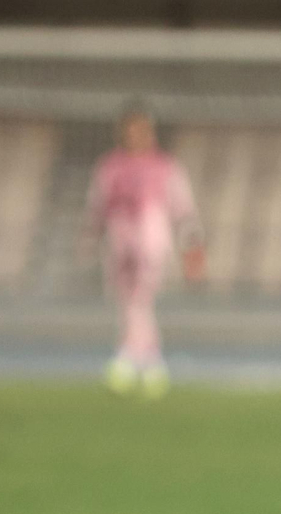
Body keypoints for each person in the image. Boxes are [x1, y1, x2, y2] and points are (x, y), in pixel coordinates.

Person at [84, 102, 204, 399]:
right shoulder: (110, 166)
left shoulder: (165, 168)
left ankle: (125, 360)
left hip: (151, 239)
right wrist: (90, 238)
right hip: (119, 239)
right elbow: (97, 206)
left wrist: (192, 249)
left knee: (140, 299)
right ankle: (152, 365)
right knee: (129, 301)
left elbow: (184, 209)